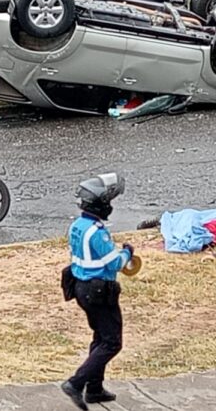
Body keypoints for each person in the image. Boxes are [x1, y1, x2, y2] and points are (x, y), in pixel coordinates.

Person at [61, 173, 133, 411]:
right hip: (99, 291)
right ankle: (76, 382)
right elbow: (114, 264)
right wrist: (127, 253)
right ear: (101, 206)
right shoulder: (97, 232)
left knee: (100, 337)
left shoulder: (78, 226)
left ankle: (94, 388)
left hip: (82, 289)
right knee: (112, 342)